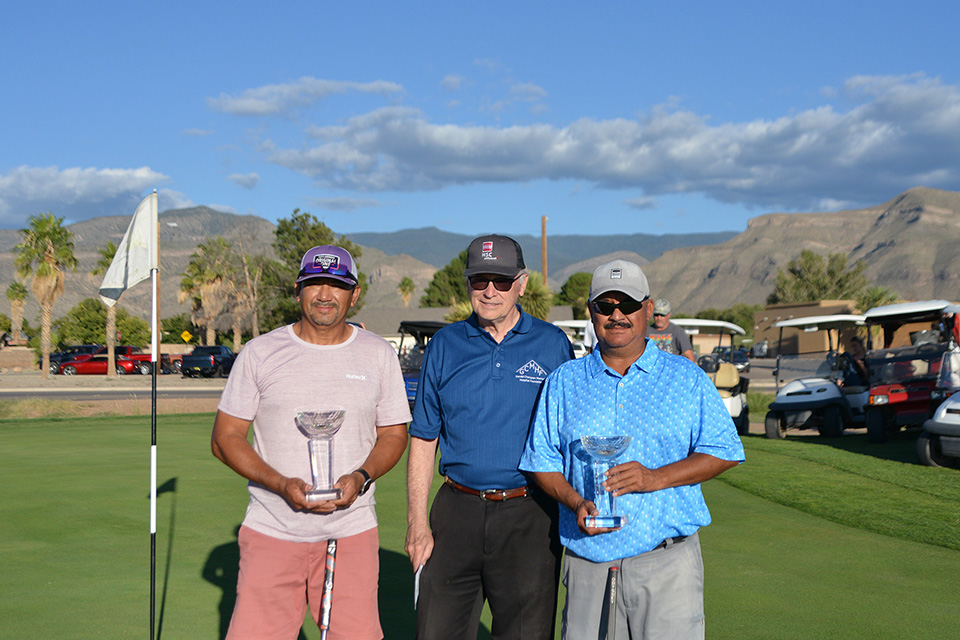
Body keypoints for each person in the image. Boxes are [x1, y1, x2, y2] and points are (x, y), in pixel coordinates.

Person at [519, 259, 745, 639]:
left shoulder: (685, 377)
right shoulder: (564, 381)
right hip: (588, 560)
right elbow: (540, 460)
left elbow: (724, 450)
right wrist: (576, 502)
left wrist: (654, 478)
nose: (617, 315)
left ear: (648, 309)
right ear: (592, 312)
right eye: (605, 306)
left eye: (628, 305)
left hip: (666, 561)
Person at [211, 245, 411, 640]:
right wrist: (280, 483)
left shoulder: (378, 354)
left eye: (336, 285)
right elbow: (225, 438)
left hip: (350, 531)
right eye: (314, 284)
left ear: (353, 295)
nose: (324, 294)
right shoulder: (260, 353)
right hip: (272, 528)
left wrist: (361, 476)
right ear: (298, 290)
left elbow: (394, 434)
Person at [406, 234, 574, 640]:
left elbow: (570, 432)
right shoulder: (445, 345)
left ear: (522, 282)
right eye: (480, 280)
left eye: (501, 280)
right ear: (468, 283)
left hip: (529, 514)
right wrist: (416, 522)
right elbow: (425, 438)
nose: (490, 291)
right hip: (455, 513)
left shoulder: (552, 344)